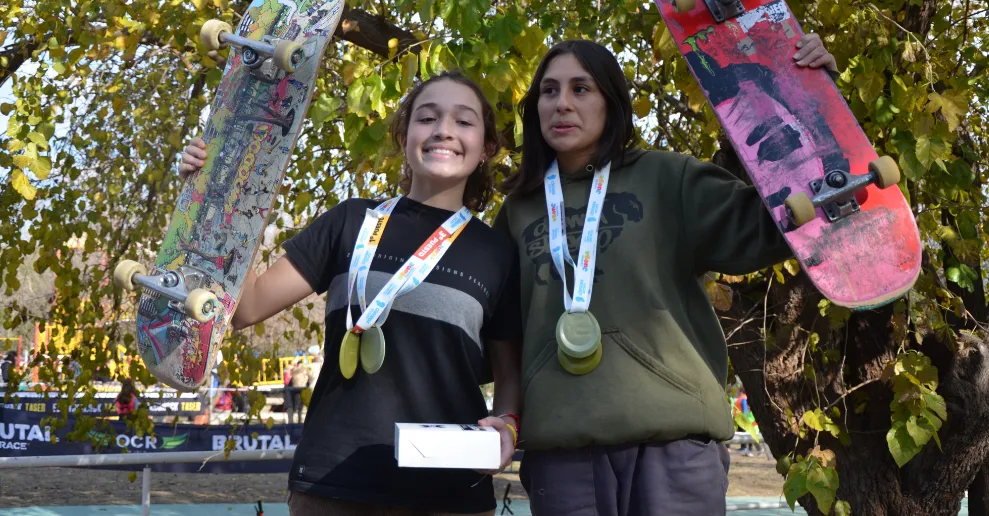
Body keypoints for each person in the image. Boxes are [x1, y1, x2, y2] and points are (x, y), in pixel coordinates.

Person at [493, 35, 837, 515]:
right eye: (548, 91)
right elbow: (501, 329)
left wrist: (808, 102)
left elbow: (776, 225)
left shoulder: (668, 178)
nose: (562, 104)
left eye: (581, 89)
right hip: (562, 455)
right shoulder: (519, 209)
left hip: (675, 447)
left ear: (611, 102)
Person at [179, 71, 522, 516]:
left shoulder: (497, 251)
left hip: (449, 492)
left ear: (486, 148)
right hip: (332, 484)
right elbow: (246, 308)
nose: (443, 131)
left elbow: (510, 375)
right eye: (428, 117)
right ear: (403, 136)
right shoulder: (350, 221)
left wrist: (509, 427)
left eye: (464, 122)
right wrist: (217, 201)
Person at [287, 358, 310, 424]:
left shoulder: (296, 370)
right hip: (304, 389)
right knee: (301, 406)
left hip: (296, 389)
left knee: (296, 406)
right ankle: (300, 420)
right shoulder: (305, 369)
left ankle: (296, 421)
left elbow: (293, 372)